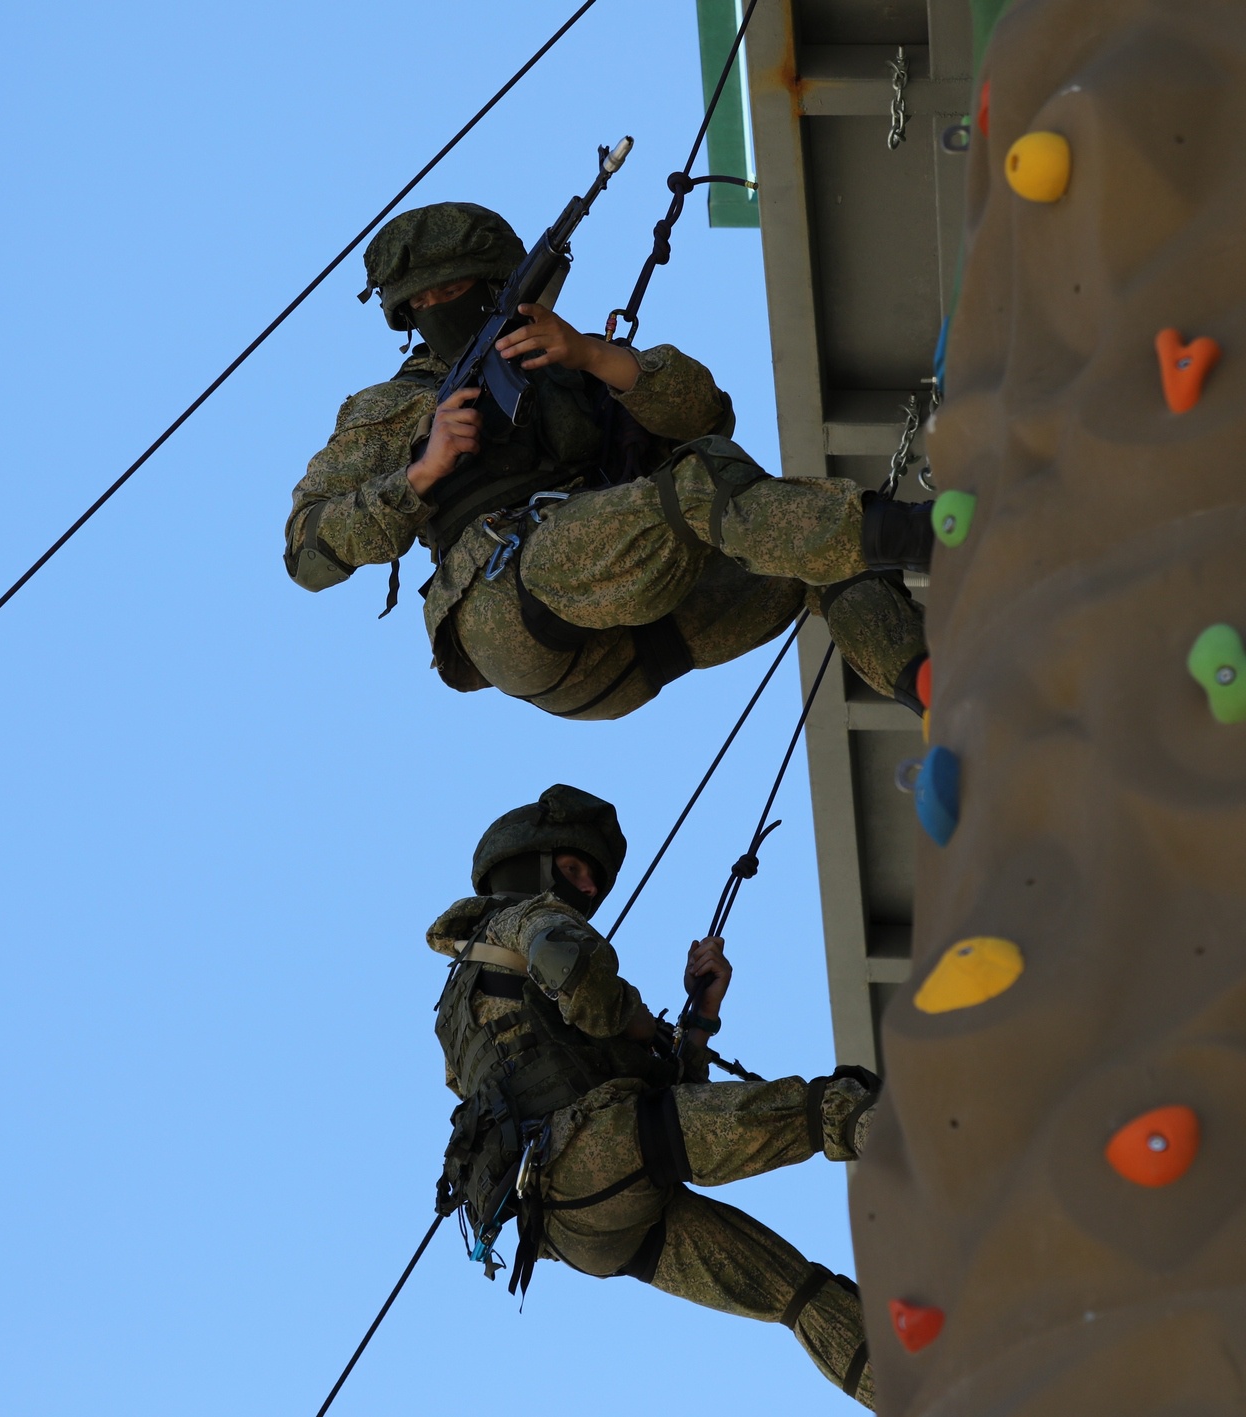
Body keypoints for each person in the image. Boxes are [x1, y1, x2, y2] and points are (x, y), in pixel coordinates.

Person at [284, 202, 933, 721]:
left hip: (640, 621)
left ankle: (931, 691)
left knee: (812, 549)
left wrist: (593, 357)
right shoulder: (394, 407)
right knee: (709, 487)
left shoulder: (564, 360)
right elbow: (307, 552)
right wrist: (421, 471)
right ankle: (927, 536)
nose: (436, 311)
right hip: (509, 605)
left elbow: (707, 419)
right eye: (419, 306)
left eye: (450, 291)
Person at [430, 783, 880, 1407]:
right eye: (574, 869)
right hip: (596, 1151)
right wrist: (642, 1020)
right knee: (820, 1110)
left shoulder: (453, 1019)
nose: (587, 890)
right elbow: (582, 977)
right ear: (527, 867)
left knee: (792, 1295)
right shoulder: (521, 917)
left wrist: (697, 1019)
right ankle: (949, 1141)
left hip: (576, 1232)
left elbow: (673, 1110)